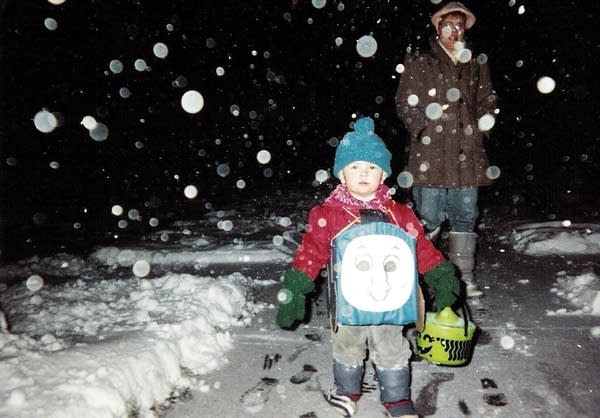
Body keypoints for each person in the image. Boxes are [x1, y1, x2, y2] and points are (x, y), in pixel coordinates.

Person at [275, 116, 460, 418]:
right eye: (355, 167)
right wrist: (295, 288)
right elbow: (311, 252)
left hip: (392, 299)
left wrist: (440, 275)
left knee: (391, 345)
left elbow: (421, 247)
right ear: (341, 174)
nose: (364, 173)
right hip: (348, 300)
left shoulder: (400, 214)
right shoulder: (328, 215)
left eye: (372, 167)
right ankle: (347, 389)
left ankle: (397, 397)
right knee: (347, 344)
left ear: (384, 175)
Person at [395, 1, 498, 298]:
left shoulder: (476, 62)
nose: (455, 31)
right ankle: (425, 276)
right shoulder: (420, 60)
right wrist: (423, 128)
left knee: (466, 214)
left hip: (468, 152)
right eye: (449, 25)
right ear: (437, 26)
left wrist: (483, 126)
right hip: (431, 153)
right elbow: (404, 101)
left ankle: (463, 278)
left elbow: (487, 100)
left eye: (460, 26)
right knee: (428, 216)